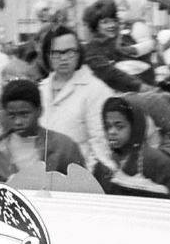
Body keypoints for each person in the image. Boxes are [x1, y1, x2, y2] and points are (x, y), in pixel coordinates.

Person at [0, 79, 86, 188]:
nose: (18, 122)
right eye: (12, 116)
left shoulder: (63, 147)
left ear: (39, 111)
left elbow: (83, 187)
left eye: (24, 114)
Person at [37, 25, 114, 170]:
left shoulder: (96, 90)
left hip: (78, 176)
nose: (64, 58)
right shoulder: (40, 89)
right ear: (47, 55)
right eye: (57, 53)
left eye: (70, 52)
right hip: (41, 176)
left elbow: (100, 143)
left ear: (79, 53)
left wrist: (86, 179)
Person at [93, 94, 170, 199]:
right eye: (108, 126)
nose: (112, 132)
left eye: (119, 126)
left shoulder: (157, 162)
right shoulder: (105, 162)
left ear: (135, 126)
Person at [81, 0, 150, 94]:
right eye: (105, 22)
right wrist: (140, 86)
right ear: (95, 26)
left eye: (114, 21)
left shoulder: (113, 44)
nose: (112, 25)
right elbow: (110, 73)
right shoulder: (92, 49)